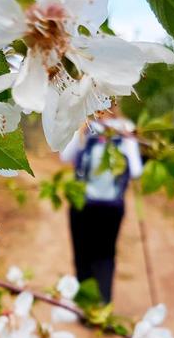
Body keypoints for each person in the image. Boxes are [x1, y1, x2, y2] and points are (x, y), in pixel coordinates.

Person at [60, 106, 143, 303]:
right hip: (110, 207)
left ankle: (89, 306)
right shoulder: (122, 127)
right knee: (105, 255)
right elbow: (137, 170)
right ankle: (102, 303)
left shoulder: (91, 126)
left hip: (84, 205)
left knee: (83, 256)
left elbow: (65, 157)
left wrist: (79, 128)